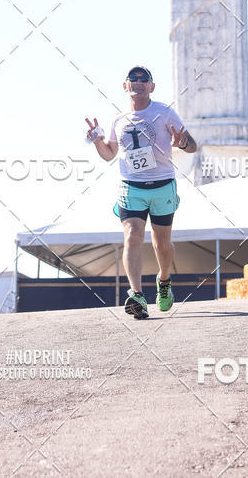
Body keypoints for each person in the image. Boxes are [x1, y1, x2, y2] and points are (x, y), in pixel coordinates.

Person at [85, 66, 197, 319]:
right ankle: (136, 295)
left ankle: (164, 281)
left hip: (162, 184)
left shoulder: (165, 113)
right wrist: (97, 142)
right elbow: (109, 155)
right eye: (132, 79)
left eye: (143, 79)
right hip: (131, 186)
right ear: (125, 86)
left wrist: (182, 142)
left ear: (151, 86)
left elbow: (192, 146)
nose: (138, 82)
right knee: (133, 235)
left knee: (162, 244)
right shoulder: (118, 119)